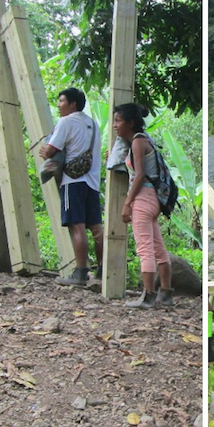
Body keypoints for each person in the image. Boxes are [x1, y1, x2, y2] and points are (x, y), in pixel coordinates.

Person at [37, 87, 103, 288]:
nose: (58, 105)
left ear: (73, 104)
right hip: (92, 182)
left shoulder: (66, 122)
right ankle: (102, 271)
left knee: (77, 225)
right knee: (97, 228)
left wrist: (44, 151)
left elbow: (50, 151)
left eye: (61, 101)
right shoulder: (93, 124)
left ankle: (81, 272)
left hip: (73, 181)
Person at [113, 103, 173, 309]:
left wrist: (127, 203)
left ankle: (148, 296)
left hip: (143, 198)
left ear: (130, 123)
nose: (115, 125)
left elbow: (138, 175)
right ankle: (165, 293)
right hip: (154, 200)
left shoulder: (138, 143)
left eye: (118, 121)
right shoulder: (146, 139)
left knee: (145, 249)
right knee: (158, 248)